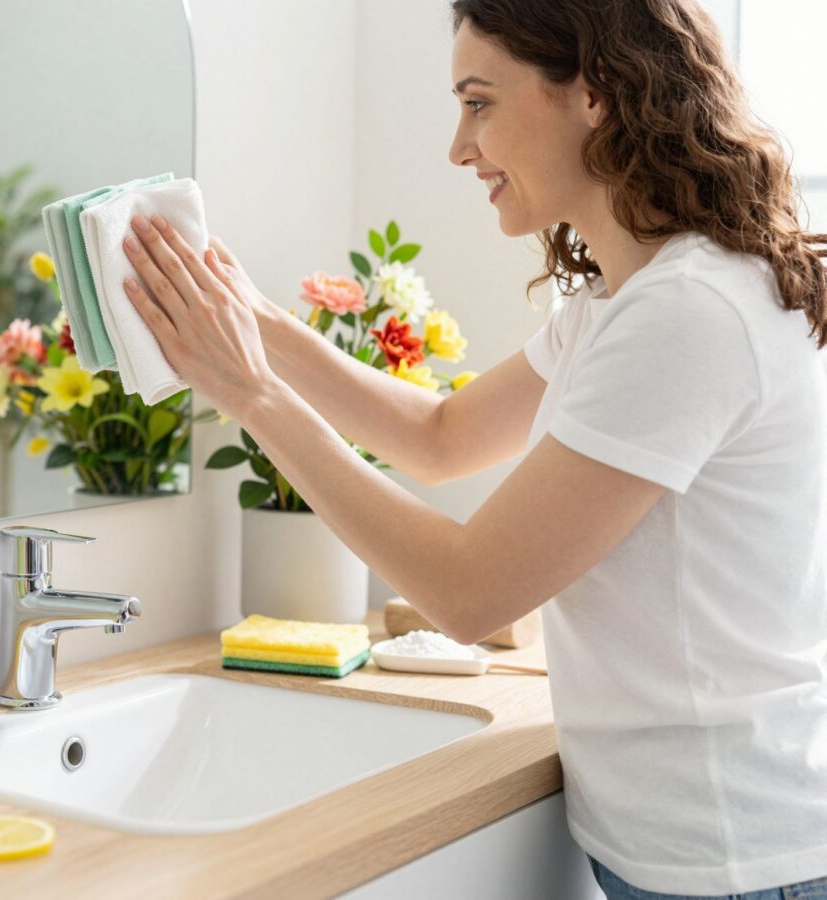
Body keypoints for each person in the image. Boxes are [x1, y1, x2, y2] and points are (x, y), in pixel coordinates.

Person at [120, 0, 827, 897]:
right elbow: (439, 438)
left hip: (737, 856)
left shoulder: (688, 312)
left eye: (479, 103)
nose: (460, 148)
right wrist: (249, 318)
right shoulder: (625, 299)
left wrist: (250, 392)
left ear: (596, 93)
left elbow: (468, 591)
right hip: (692, 847)